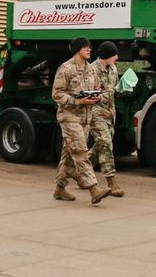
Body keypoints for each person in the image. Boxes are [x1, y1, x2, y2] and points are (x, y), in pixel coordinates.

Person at [51, 37, 111, 204]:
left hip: (85, 118)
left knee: (69, 155)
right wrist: (77, 101)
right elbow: (57, 94)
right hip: (69, 117)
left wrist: (97, 96)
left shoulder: (90, 70)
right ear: (77, 49)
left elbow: (98, 88)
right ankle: (93, 188)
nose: (89, 50)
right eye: (85, 47)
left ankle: (60, 189)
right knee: (80, 152)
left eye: (90, 47)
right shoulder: (66, 68)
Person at [89, 41, 123, 197]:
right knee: (106, 143)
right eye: (114, 54)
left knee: (100, 145)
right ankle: (111, 181)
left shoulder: (113, 69)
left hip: (109, 113)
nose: (117, 57)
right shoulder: (91, 70)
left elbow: (112, 89)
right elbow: (86, 93)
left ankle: (80, 170)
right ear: (106, 56)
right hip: (95, 112)